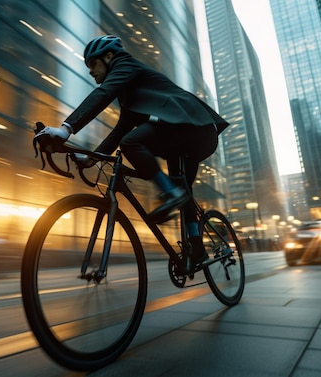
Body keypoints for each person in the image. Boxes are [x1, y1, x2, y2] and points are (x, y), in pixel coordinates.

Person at [36, 35, 228, 265]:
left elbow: (103, 93)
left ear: (109, 57)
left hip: (192, 125)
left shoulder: (125, 64)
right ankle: (197, 248)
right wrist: (91, 160)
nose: (90, 71)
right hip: (180, 132)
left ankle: (171, 194)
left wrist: (66, 128)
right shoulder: (129, 97)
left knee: (132, 143)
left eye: (93, 64)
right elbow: (118, 131)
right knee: (180, 186)